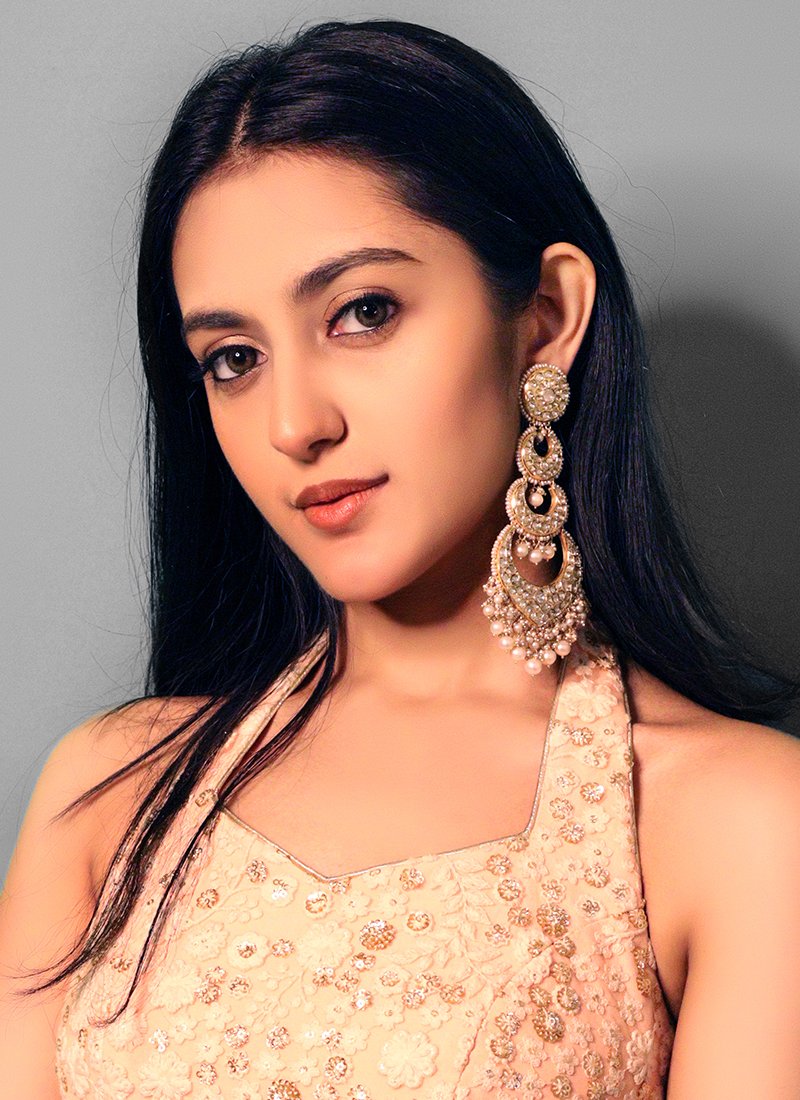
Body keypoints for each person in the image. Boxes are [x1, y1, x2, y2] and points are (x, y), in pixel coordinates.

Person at [2, 16, 799, 1098]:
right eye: (232, 359)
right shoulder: (109, 792)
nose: (294, 422)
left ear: (545, 318)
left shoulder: (730, 821)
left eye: (362, 313)